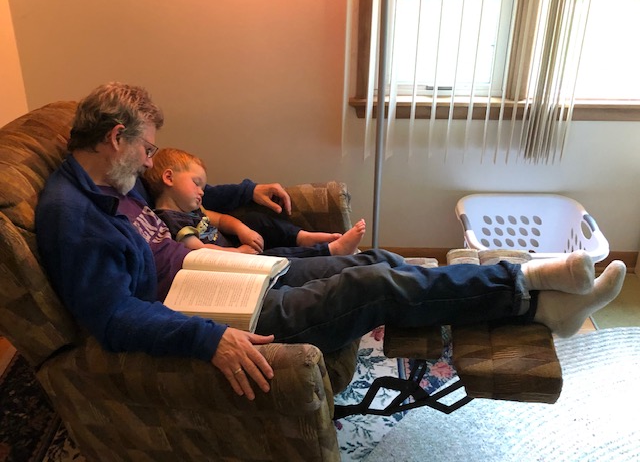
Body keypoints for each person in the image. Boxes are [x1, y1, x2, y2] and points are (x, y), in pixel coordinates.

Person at [36, 82, 627, 402]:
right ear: (117, 138)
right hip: (212, 310)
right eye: (143, 147)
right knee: (374, 283)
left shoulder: (111, 178)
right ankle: (531, 290)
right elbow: (111, 318)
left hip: (220, 274)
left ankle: (539, 297)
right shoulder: (75, 218)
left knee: (375, 259)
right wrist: (207, 338)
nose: (147, 160)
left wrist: (247, 188)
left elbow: (186, 185)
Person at [141, 147, 366, 257]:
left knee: (255, 219)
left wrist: (241, 229)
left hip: (238, 245)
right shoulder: (170, 221)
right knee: (276, 259)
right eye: (196, 183)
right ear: (169, 178)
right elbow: (200, 251)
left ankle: (302, 237)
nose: (202, 191)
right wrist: (239, 253)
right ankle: (331, 250)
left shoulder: (193, 207)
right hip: (232, 262)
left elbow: (221, 219)